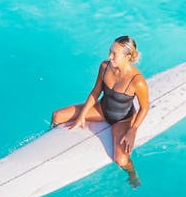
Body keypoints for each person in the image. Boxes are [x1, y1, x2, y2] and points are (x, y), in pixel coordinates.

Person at [50, 36, 149, 187]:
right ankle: (52, 139)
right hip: (102, 109)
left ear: (127, 57)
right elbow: (96, 92)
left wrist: (133, 130)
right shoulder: (105, 66)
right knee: (57, 116)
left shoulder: (137, 81)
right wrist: (81, 116)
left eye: (115, 54)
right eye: (110, 51)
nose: (110, 56)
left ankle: (132, 173)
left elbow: (145, 107)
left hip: (121, 120)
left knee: (121, 160)